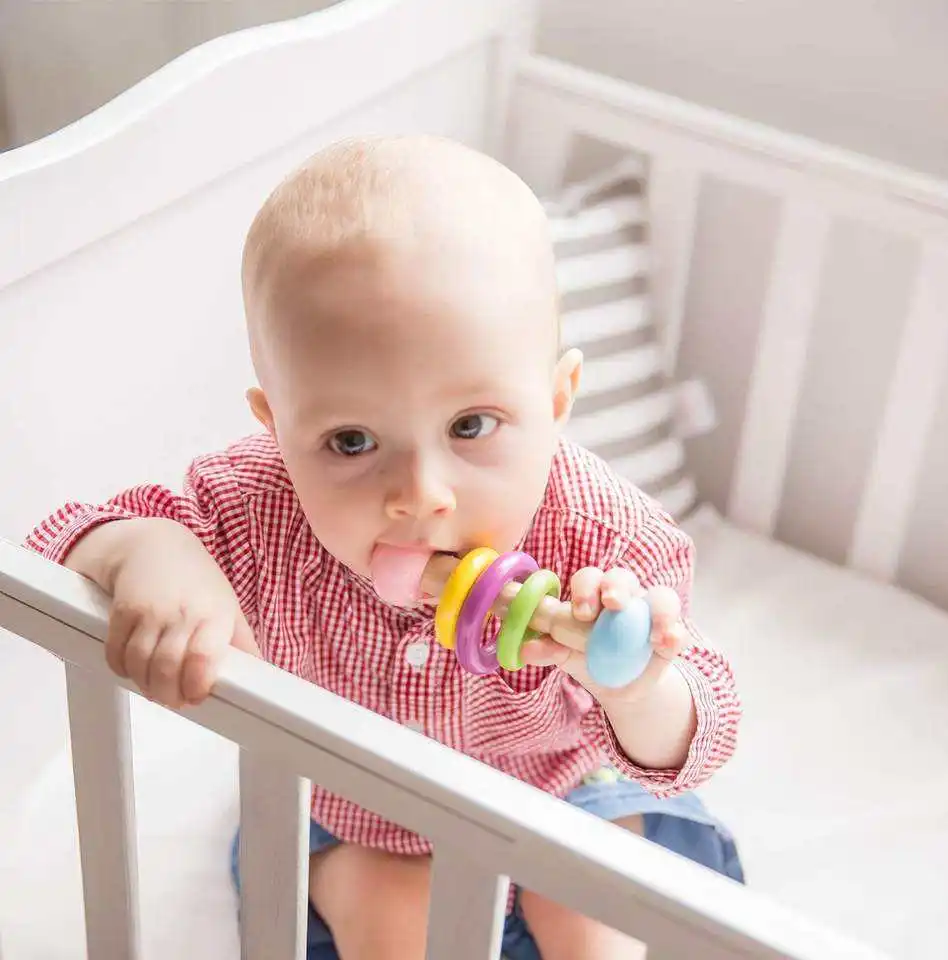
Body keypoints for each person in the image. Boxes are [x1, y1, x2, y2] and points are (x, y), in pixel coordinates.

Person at [25, 135, 743, 960]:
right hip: (360, 810)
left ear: (556, 400)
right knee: (391, 927)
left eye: (471, 425)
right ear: (277, 426)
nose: (418, 494)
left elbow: (704, 731)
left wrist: (635, 688)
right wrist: (149, 551)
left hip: (561, 789)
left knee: (593, 921)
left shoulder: (602, 540)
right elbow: (65, 539)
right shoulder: (257, 507)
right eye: (352, 441)